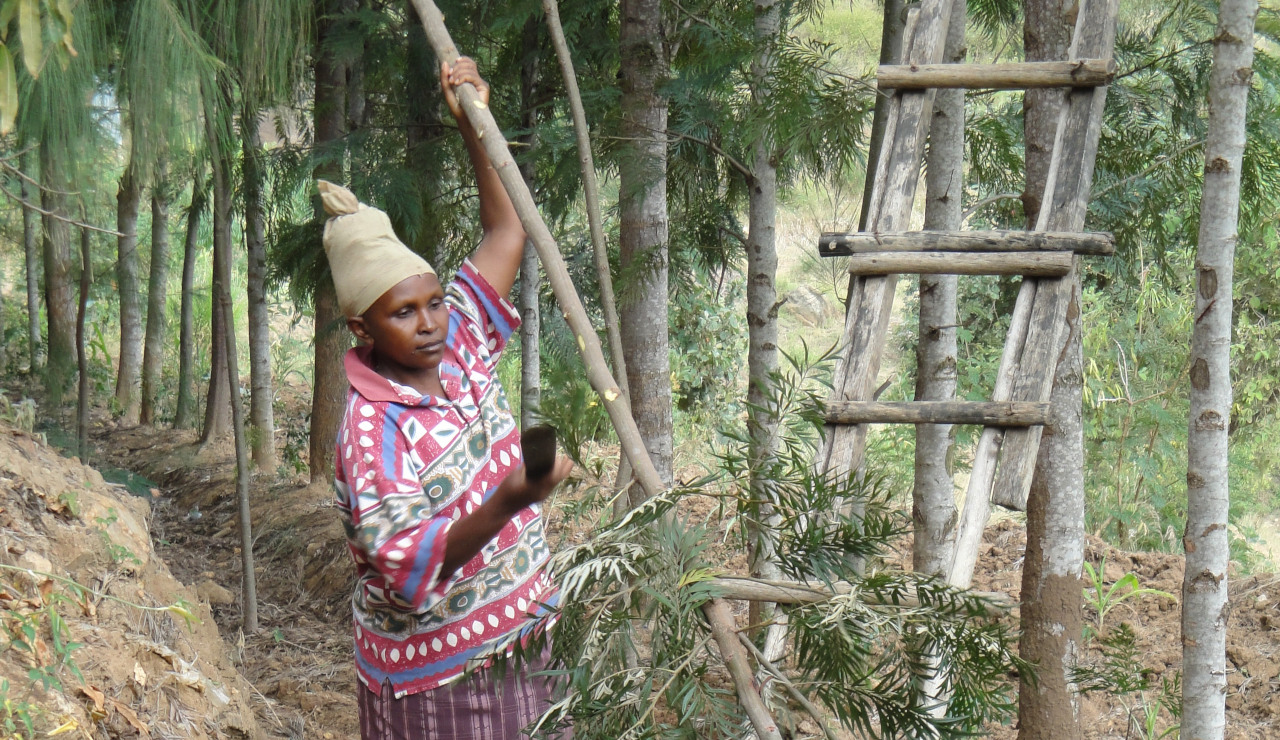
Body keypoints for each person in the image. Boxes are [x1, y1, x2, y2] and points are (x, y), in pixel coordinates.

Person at [320, 57, 572, 740]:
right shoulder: (371, 432)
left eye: (433, 301)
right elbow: (406, 567)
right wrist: (511, 499)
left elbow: (506, 234)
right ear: (361, 326)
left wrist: (473, 126)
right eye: (404, 313)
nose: (430, 322)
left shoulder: (461, 337)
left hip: (525, 637)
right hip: (438, 677)